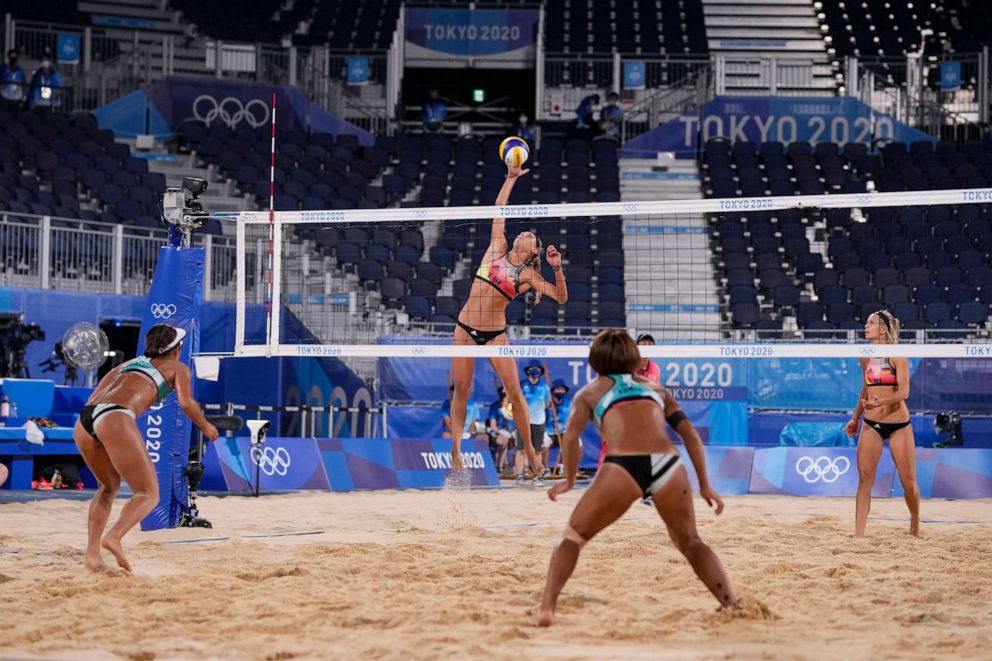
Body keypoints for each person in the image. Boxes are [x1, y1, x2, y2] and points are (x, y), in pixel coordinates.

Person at [537, 329, 737, 626]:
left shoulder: (590, 393)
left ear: (595, 360)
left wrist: (568, 480)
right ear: (634, 358)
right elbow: (690, 435)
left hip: (624, 465)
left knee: (573, 537)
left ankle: (547, 609)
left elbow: (570, 439)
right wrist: (705, 485)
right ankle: (731, 604)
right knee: (692, 542)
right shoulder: (656, 389)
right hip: (668, 464)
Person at [448, 162, 568, 471]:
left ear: (532, 252)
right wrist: (511, 178)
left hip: (495, 335)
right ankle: (457, 451)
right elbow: (500, 207)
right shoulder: (497, 247)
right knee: (462, 389)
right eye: (526, 231)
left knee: (515, 392)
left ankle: (529, 449)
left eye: (532, 236)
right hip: (464, 328)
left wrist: (557, 268)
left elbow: (561, 297)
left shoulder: (527, 273)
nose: (527, 232)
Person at [74, 324, 219, 572]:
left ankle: (92, 555)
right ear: (176, 349)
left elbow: (94, 400)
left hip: (84, 420)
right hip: (115, 415)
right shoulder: (177, 367)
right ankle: (115, 536)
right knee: (148, 493)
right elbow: (186, 403)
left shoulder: (127, 365)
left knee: (108, 487)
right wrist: (206, 426)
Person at [844, 310, 921, 538]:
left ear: (883, 328)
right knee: (865, 480)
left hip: (899, 424)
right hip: (871, 423)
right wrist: (855, 417)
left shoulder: (897, 355)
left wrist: (883, 401)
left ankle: (915, 521)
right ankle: (859, 536)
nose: (866, 326)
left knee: (909, 484)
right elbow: (865, 390)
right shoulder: (865, 356)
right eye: (866, 322)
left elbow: (904, 392)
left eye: (871, 322)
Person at [598, 333, 661, 467]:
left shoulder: (655, 369)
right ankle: (602, 474)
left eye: (650, 344)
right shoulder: (626, 364)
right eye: (643, 344)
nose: (647, 347)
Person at [515, 361, 552, 481]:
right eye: (532, 368)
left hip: (539, 420)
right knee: (521, 449)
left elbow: (547, 404)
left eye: (537, 368)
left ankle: (538, 474)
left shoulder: (545, 387)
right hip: (523, 421)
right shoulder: (521, 385)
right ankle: (519, 474)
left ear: (541, 371)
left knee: (537, 450)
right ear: (528, 371)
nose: (535, 370)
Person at [545, 378, 571, 474]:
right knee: (544, 445)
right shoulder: (548, 403)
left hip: (564, 432)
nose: (560, 391)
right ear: (553, 391)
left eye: (562, 389)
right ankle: (544, 468)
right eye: (558, 389)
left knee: (575, 445)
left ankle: (563, 466)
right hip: (549, 431)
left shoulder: (569, 404)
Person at [486, 386, 514, 473]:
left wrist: (514, 432)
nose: (505, 396)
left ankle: (520, 468)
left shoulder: (515, 406)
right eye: (503, 394)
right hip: (499, 432)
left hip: (513, 431)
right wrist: (501, 431)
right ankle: (499, 466)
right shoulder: (495, 407)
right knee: (503, 440)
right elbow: (493, 425)